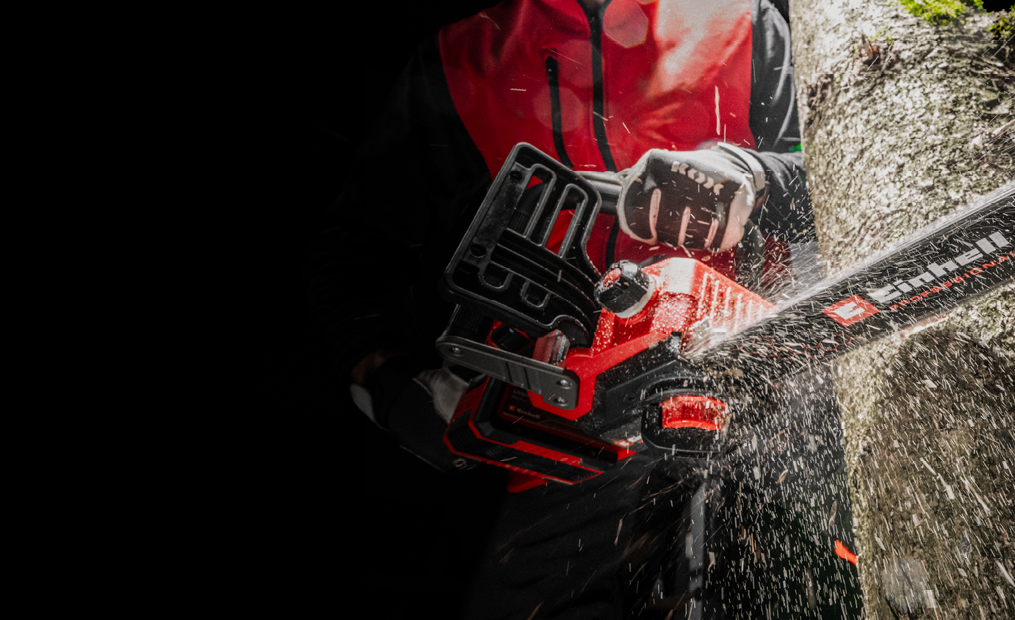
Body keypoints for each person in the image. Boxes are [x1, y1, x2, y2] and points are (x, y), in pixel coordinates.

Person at [308, 0, 815, 616]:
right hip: (565, 450)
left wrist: (755, 176)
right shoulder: (465, 57)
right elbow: (355, 250)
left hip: (749, 403)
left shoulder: (737, 21)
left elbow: (843, 169)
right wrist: (388, 383)